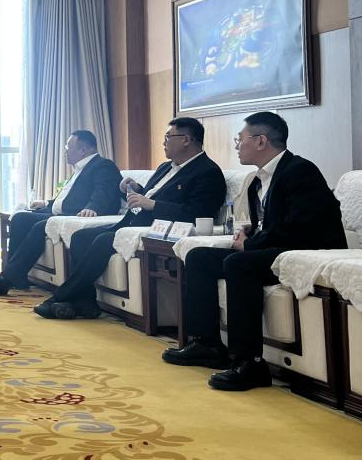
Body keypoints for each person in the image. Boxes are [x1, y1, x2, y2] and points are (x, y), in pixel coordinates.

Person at [163, 111, 346, 391]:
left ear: (261, 141)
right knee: (199, 257)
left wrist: (250, 244)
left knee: (239, 263)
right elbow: (273, 224)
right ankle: (206, 344)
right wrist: (252, 233)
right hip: (280, 248)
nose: (237, 145)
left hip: (309, 250)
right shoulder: (258, 179)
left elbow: (302, 226)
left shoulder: (300, 170)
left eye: (240, 139)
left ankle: (249, 362)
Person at [33, 117, 226, 320]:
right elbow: (150, 196)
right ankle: (86, 303)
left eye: (168, 137)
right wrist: (134, 189)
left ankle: (59, 298)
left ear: (186, 140)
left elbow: (198, 212)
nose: (164, 142)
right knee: (81, 236)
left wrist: (153, 205)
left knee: (102, 240)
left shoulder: (207, 172)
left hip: (155, 229)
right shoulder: (165, 167)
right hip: (131, 222)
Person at [0, 130, 123, 297]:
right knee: (20, 218)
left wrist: (93, 207)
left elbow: (103, 190)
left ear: (83, 150)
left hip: (76, 216)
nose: (65, 151)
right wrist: (48, 203)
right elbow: (70, 197)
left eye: (68, 147)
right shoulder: (80, 169)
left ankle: (6, 279)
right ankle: (18, 277)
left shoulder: (103, 165)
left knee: (42, 226)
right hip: (61, 213)